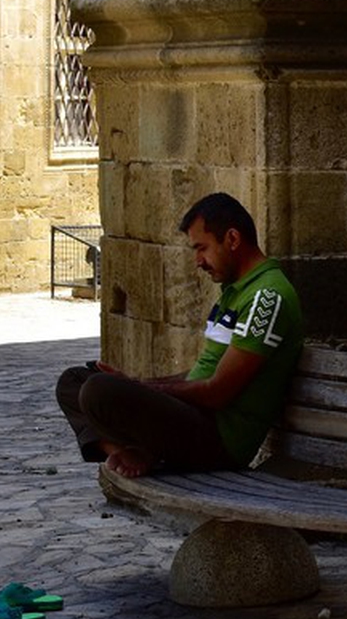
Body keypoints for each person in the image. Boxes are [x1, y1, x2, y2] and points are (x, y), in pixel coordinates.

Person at [56, 192, 304, 477]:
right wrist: (136, 383)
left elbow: (217, 392)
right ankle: (128, 452)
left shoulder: (267, 298)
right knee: (73, 381)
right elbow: (201, 374)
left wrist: (142, 390)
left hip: (217, 440)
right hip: (192, 419)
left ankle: (143, 451)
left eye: (202, 248)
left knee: (99, 391)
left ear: (233, 239)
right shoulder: (235, 292)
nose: (198, 261)